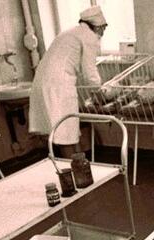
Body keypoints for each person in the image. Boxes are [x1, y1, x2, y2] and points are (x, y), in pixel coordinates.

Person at [28, 5, 107, 158]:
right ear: (98, 27)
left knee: (65, 130)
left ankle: (76, 166)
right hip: (59, 86)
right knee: (65, 133)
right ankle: (73, 170)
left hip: (43, 82)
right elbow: (90, 72)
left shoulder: (70, 32)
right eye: (104, 28)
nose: (104, 32)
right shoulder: (89, 37)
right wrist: (100, 93)